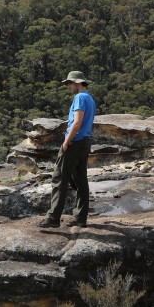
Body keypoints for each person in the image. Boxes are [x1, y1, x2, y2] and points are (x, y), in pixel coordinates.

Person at [39, 70, 95, 228]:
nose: (68, 86)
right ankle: (80, 217)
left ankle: (53, 218)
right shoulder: (89, 98)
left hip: (74, 142)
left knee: (60, 178)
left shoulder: (79, 98)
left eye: (70, 83)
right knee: (81, 180)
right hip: (85, 141)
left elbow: (77, 123)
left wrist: (66, 142)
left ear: (77, 83)